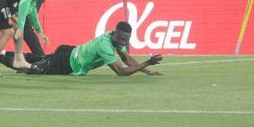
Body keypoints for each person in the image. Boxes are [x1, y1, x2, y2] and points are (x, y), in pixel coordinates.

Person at [26, 21, 163, 76]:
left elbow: (127, 59)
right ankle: (3, 55)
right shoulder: (105, 46)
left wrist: (148, 71)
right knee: (29, 69)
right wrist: (147, 62)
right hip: (67, 62)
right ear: (114, 33)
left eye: (125, 40)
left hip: (70, 52)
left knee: (38, 60)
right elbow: (121, 72)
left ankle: (6, 55)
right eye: (121, 39)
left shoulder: (116, 41)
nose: (123, 43)